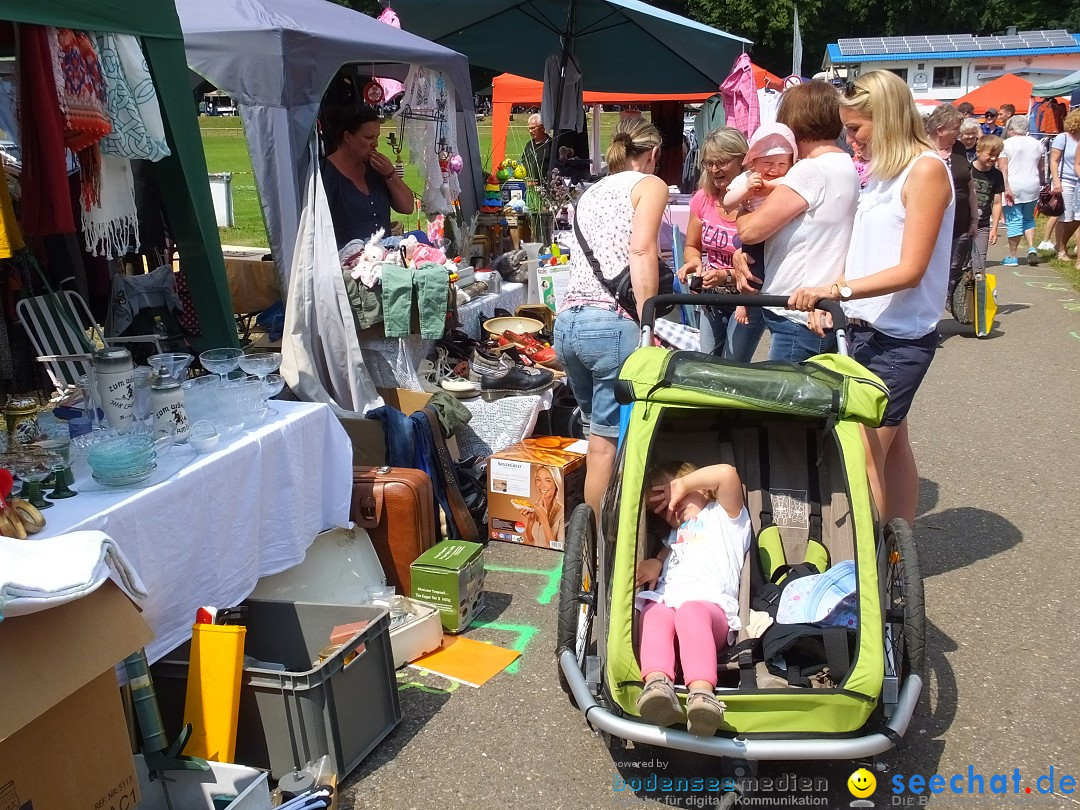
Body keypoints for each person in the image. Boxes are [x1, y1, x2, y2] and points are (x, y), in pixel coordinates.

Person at [788, 70, 954, 527]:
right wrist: (838, 301)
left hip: (899, 338)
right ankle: (898, 552)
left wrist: (836, 290)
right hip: (868, 331)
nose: (850, 139)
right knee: (893, 444)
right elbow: (865, 256)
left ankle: (870, 566)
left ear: (888, 119)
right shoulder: (885, 173)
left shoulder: (925, 170)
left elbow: (910, 268)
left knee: (859, 458)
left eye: (857, 128)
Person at [554, 117, 668, 518]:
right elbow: (641, 251)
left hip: (568, 322)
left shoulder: (592, 191)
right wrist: (648, 321)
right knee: (608, 443)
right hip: (609, 323)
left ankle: (592, 542)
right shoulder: (650, 185)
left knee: (594, 436)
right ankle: (605, 548)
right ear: (652, 154)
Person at [733, 81, 860, 363]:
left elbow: (751, 230)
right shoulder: (845, 164)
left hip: (797, 310)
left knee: (785, 401)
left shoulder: (810, 170)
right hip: (821, 305)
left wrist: (744, 204)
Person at [635, 461, 751, 737]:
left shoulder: (725, 516)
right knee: (653, 612)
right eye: (661, 510)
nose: (671, 508)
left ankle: (701, 694)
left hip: (711, 611)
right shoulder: (676, 534)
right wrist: (656, 561)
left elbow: (726, 474)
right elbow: (669, 549)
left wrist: (683, 485)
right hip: (669, 602)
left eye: (672, 496)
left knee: (690, 612)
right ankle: (657, 685)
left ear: (698, 486)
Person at [675, 127, 764, 360]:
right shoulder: (703, 199)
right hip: (712, 297)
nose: (714, 170)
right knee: (707, 362)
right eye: (709, 163)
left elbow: (762, 263)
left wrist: (726, 276)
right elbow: (692, 245)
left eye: (722, 162)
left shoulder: (757, 201)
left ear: (742, 160)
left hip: (747, 299)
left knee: (732, 367)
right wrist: (694, 264)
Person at [723, 123, 797, 332]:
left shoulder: (789, 179)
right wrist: (746, 189)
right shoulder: (747, 178)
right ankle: (744, 302)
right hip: (755, 233)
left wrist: (771, 185)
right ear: (754, 162)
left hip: (780, 230)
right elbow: (728, 201)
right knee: (752, 271)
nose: (774, 169)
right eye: (768, 162)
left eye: (782, 163)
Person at [323, 106, 414, 248]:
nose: (375, 144)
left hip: (383, 258)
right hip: (347, 262)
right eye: (368, 137)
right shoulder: (326, 173)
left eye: (376, 137)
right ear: (348, 137)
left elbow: (407, 207)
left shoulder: (375, 169)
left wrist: (390, 174)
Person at [925, 105, 977, 303]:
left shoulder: (960, 148)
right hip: (932, 224)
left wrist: (974, 218)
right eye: (956, 128)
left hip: (960, 222)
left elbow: (969, 184)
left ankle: (946, 303)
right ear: (940, 130)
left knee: (953, 268)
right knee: (930, 270)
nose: (959, 133)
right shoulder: (921, 151)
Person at [997, 116, 1044, 266]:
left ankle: (1013, 255)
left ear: (1010, 129)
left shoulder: (1005, 144)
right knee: (1028, 218)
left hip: (1013, 184)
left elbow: (1003, 168)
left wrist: (1006, 187)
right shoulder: (1037, 144)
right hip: (1032, 183)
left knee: (1014, 220)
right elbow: (1041, 167)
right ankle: (1031, 247)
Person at [1040, 108, 1080, 260]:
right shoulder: (1063, 137)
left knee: (1077, 217)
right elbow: (1054, 161)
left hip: (1079, 182)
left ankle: (1062, 243)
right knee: (1065, 216)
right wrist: (1056, 181)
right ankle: (1061, 249)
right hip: (1066, 180)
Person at [969, 135, 1005, 275]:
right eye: (990, 154)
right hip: (963, 224)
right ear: (978, 151)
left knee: (979, 264)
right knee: (957, 262)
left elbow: (996, 203)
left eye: (997, 155)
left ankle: (977, 294)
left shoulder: (997, 175)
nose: (993, 158)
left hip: (983, 224)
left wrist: (994, 228)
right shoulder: (967, 170)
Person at [518, 465, 564, 546]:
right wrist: (531, 520)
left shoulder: (563, 513)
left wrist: (544, 520)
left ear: (556, 484)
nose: (542, 485)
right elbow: (530, 539)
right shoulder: (535, 507)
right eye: (538, 480)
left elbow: (557, 549)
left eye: (548, 480)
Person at [521, 113, 553, 180]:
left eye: (533, 128)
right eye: (529, 129)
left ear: (542, 127)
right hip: (530, 185)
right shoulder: (529, 145)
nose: (530, 131)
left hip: (547, 184)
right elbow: (524, 161)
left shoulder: (551, 145)